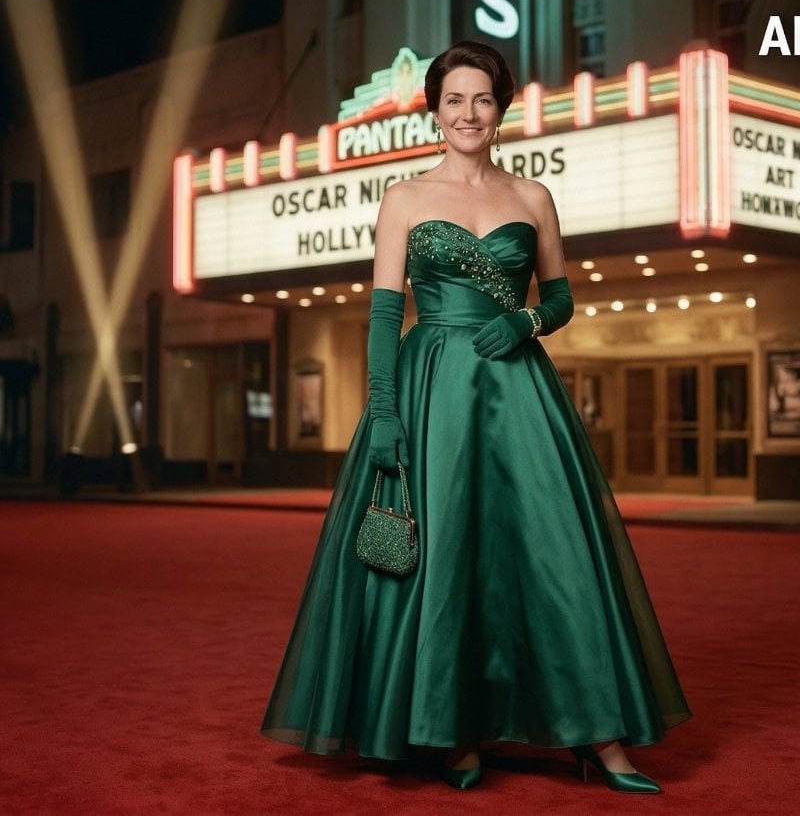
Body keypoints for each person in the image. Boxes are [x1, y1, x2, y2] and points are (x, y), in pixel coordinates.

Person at [260, 40, 691, 792]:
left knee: (557, 553)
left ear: (500, 110)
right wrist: (384, 414)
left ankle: (598, 734)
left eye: (482, 99)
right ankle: (452, 731)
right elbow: (383, 316)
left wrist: (527, 322)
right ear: (434, 111)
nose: (469, 113)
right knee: (446, 552)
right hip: (432, 392)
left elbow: (561, 298)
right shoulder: (404, 198)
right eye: (454, 100)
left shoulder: (533, 197)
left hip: (520, 389)